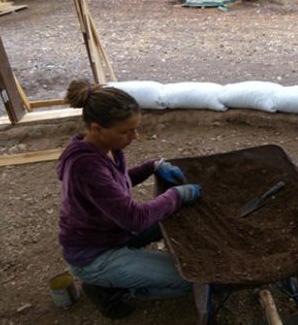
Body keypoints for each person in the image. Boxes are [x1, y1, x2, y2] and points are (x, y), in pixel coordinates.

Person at [57, 79, 201, 319]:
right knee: (190, 279)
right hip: (94, 255)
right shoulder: (86, 166)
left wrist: (152, 166)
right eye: (127, 131)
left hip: (112, 232)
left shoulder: (104, 148)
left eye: (135, 128)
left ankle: (118, 276)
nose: (135, 136)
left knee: (175, 214)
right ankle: (114, 287)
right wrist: (176, 194)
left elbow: (116, 184)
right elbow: (135, 219)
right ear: (96, 129)